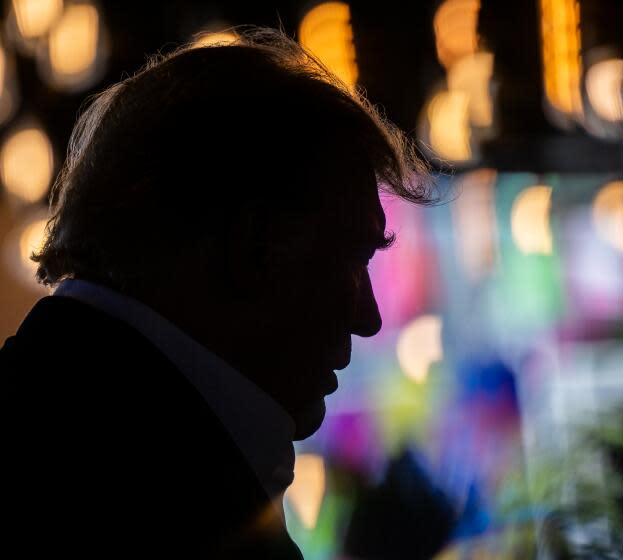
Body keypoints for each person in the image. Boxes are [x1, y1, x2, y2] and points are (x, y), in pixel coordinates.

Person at [0, 27, 432, 558]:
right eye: (351, 261)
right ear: (255, 246)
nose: (369, 319)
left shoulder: (58, 430)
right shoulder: (167, 511)